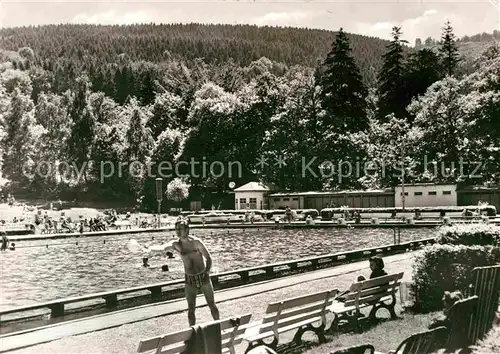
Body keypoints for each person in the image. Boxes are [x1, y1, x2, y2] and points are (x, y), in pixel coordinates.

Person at [138, 217, 220, 325]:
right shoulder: (176, 244)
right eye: (176, 229)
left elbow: (208, 258)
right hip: (189, 279)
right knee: (191, 309)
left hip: (203, 276)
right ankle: (193, 333)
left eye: (180, 229)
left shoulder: (196, 242)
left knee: (211, 305)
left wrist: (207, 273)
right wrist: (150, 249)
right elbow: (163, 248)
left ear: (187, 230)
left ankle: (218, 326)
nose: (177, 231)